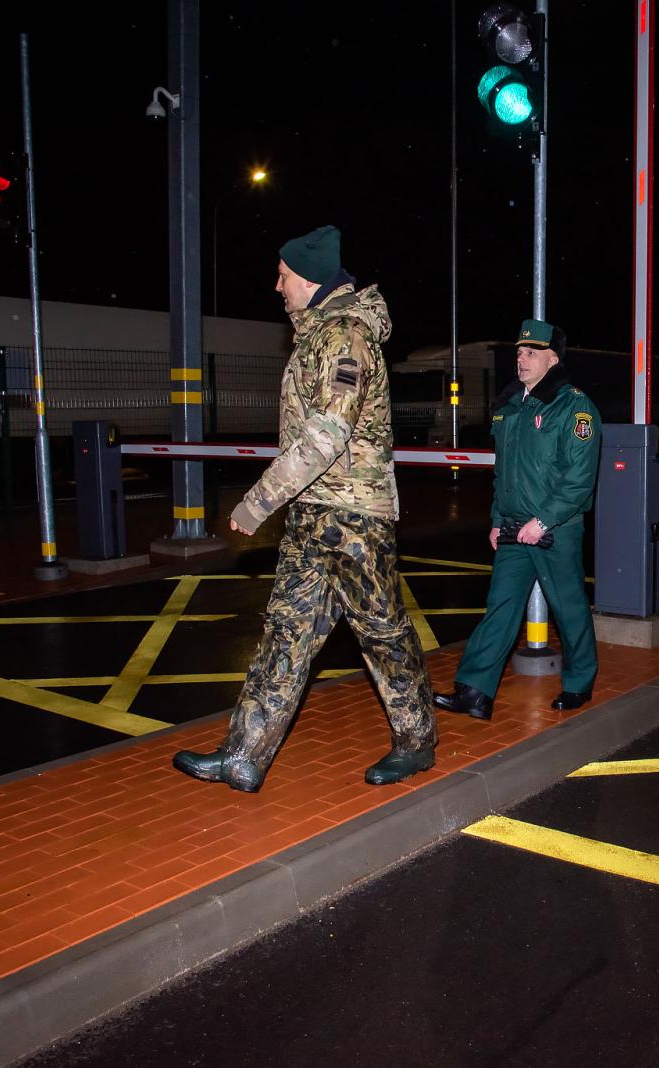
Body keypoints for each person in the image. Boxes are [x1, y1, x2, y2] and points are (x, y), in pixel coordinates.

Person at [173, 225, 436, 791]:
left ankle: (416, 741)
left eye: (284, 275)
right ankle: (243, 755)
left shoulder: (346, 337)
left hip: (355, 517)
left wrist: (258, 501)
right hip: (315, 512)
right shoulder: (316, 335)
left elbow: (327, 434)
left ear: (310, 279)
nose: (277, 286)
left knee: (381, 633)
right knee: (285, 633)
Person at [433, 319, 602, 720]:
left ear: (553, 358)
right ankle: (475, 691)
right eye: (519, 353)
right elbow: (504, 473)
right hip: (512, 525)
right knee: (501, 606)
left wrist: (543, 522)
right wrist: (497, 518)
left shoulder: (574, 407)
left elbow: (579, 478)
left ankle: (579, 682)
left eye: (531, 353)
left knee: (568, 607)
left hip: (554, 529)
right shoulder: (511, 405)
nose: (521, 360)